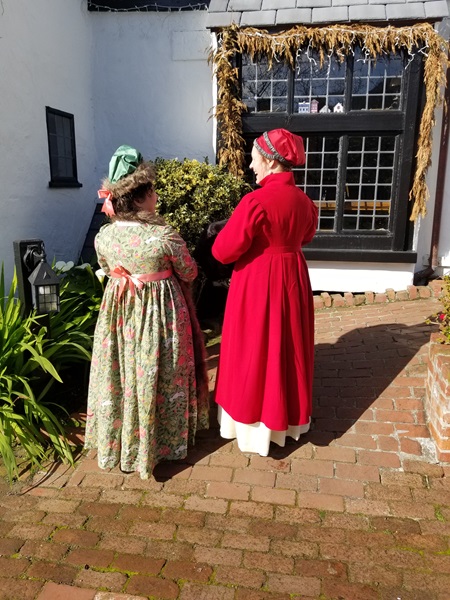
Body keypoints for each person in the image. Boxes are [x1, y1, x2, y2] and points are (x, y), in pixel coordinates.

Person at [85, 145, 209, 478]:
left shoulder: (104, 236)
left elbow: (107, 266)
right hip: (160, 314)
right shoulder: (162, 236)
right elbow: (190, 272)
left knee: (122, 372)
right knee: (161, 371)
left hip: (120, 313)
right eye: (151, 191)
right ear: (140, 198)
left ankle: (123, 443)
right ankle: (160, 445)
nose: (156, 196)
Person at [212, 129, 318, 456]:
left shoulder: (254, 201)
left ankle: (250, 426)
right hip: (293, 276)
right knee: (287, 345)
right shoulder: (305, 202)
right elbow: (308, 236)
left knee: (253, 347)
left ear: (271, 161)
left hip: (258, 281)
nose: (251, 166)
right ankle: (287, 422)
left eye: (255, 159)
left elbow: (223, 251)